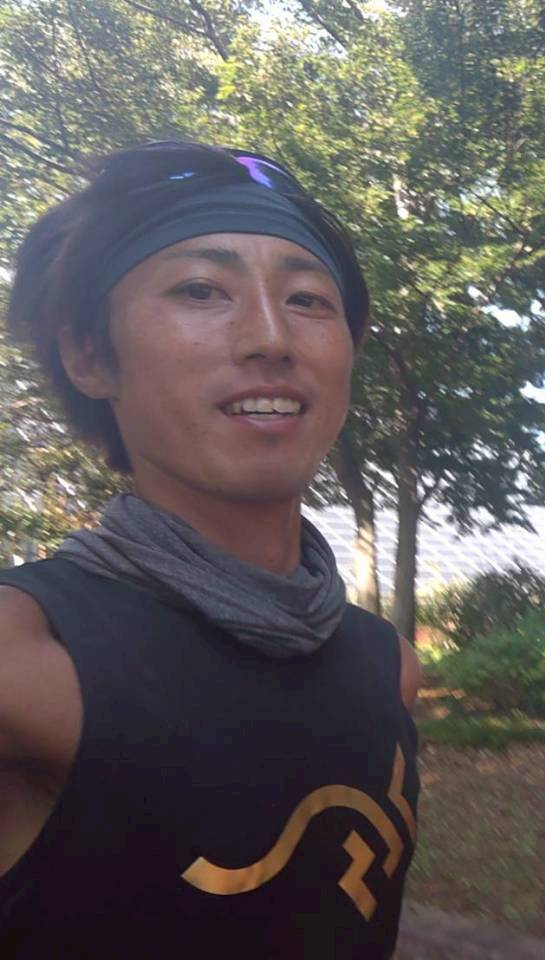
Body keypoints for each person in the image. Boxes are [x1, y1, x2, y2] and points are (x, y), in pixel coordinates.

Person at [0, 141, 420, 958]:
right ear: (90, 355)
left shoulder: (388, 666)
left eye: (308, 300)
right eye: (200, 290)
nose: (271, 337)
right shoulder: (27, 659)